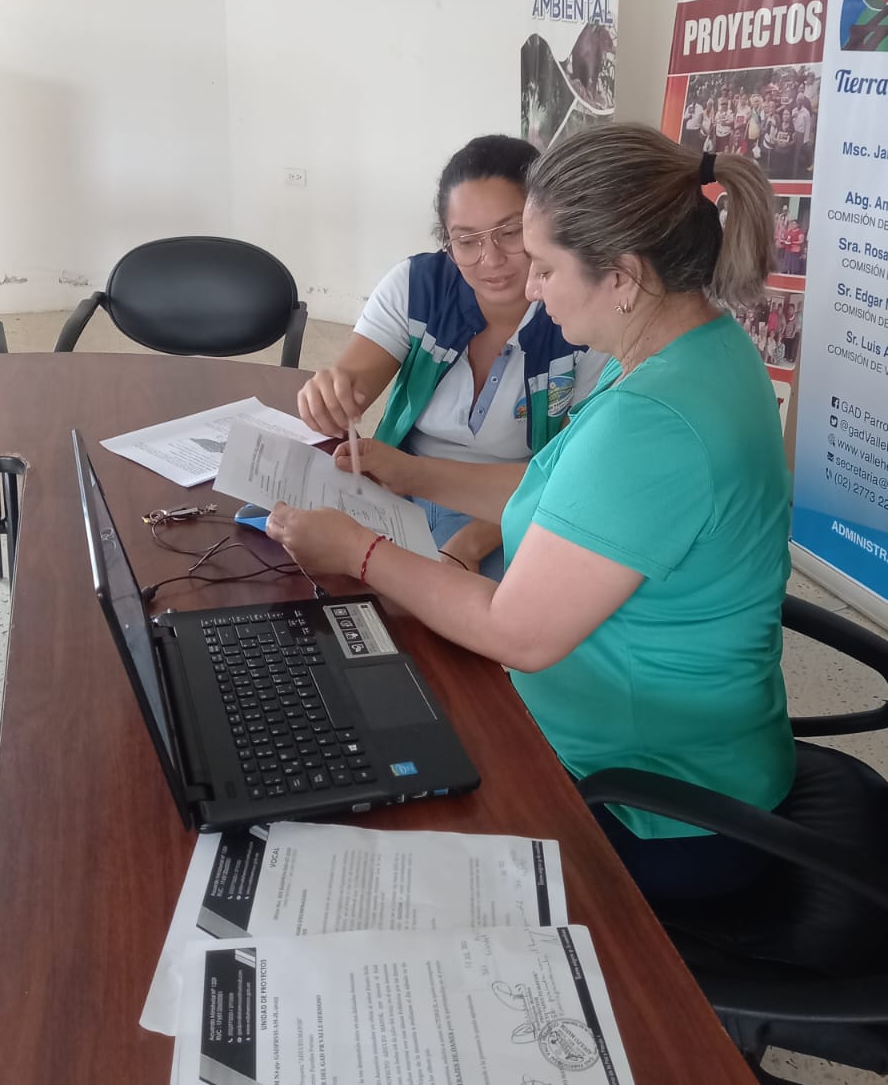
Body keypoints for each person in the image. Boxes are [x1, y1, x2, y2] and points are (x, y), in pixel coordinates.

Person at [273, 124, 796, 902]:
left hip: (657, 807)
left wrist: (358, 552)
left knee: (351, 823)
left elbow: (516, 632)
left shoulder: (652, 423)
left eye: (544, 267)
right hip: (682, 755)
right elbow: (564, 499)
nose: (532, 289)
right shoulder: (691, 350)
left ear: (622, 276)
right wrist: (408, 472)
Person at [297, 134, 608, 579]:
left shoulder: (581, 318)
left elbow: (566, 479)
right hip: (398, 485)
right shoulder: (418, 286)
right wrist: (331, 395)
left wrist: (471, 542)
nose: (490, 259)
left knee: (470, 605)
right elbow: (352, 381)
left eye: (510, 232)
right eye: (466, 241)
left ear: (545, 224)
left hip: (509, 508)